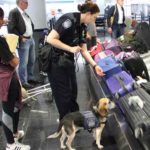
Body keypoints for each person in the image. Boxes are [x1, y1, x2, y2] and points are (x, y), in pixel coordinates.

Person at [46, 3, 104, 120]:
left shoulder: (82, 26)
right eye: (94, 17)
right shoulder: (68, 20)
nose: (95, 20)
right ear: (88, 14)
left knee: (73, 92)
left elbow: (84, 50)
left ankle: (74, 120)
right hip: (56, 62)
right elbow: (50, 38)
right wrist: (70, 48)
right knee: (63, 95)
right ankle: (65, 123)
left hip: (67, 61)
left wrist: (95, 65)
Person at [0, 7, 30, 150]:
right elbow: (13, 61)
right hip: (5, 78)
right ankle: (11, 144)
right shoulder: (0, 41)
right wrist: (15, 55)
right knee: (7, 109)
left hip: (8, 76)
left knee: (17, 104)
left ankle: (15, 133)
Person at [7, 0, 36, 89]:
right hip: (24, 41)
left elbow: (29, 25)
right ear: (20, 3)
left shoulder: (24, 13)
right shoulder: (14, 12)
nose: (27, 4)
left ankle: (30, 78)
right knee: (24, 62)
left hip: (30, 39)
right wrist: (20, 37)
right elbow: (11, 28)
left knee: (32, 60)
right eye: (26, 2)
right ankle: (23, 82)